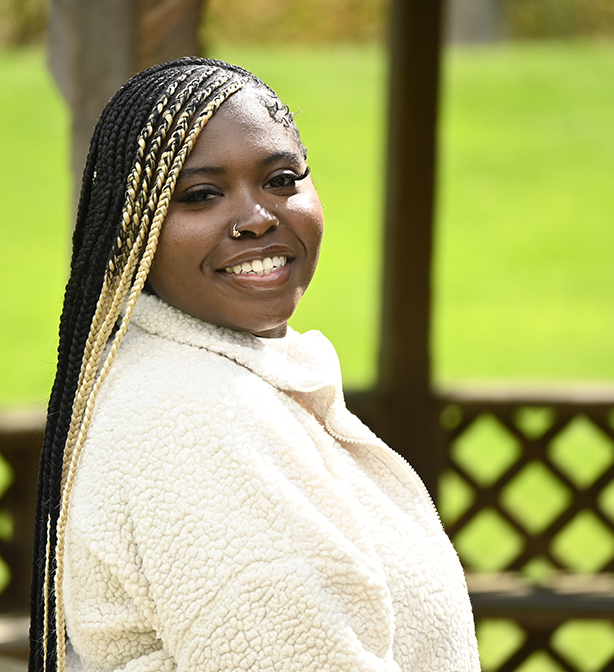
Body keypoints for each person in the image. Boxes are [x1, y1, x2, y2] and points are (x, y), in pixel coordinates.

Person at [29, 57, 479, 672]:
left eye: (281, 179)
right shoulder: (192, 414)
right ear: (135, 232)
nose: (257, 217)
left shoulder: (213, 379)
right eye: (201, 194)